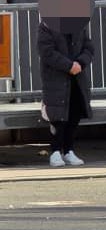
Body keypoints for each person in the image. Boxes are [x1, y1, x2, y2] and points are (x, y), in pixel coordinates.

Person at [37, 18, 95, 167]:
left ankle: (69, 150)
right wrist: (69, 66)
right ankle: (55, 151)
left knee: (74, 112)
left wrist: (80, 63)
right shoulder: (46, 26)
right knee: (57, 116)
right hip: (56, 78)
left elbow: (88, 47)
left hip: (77, 77)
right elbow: (47, 52)